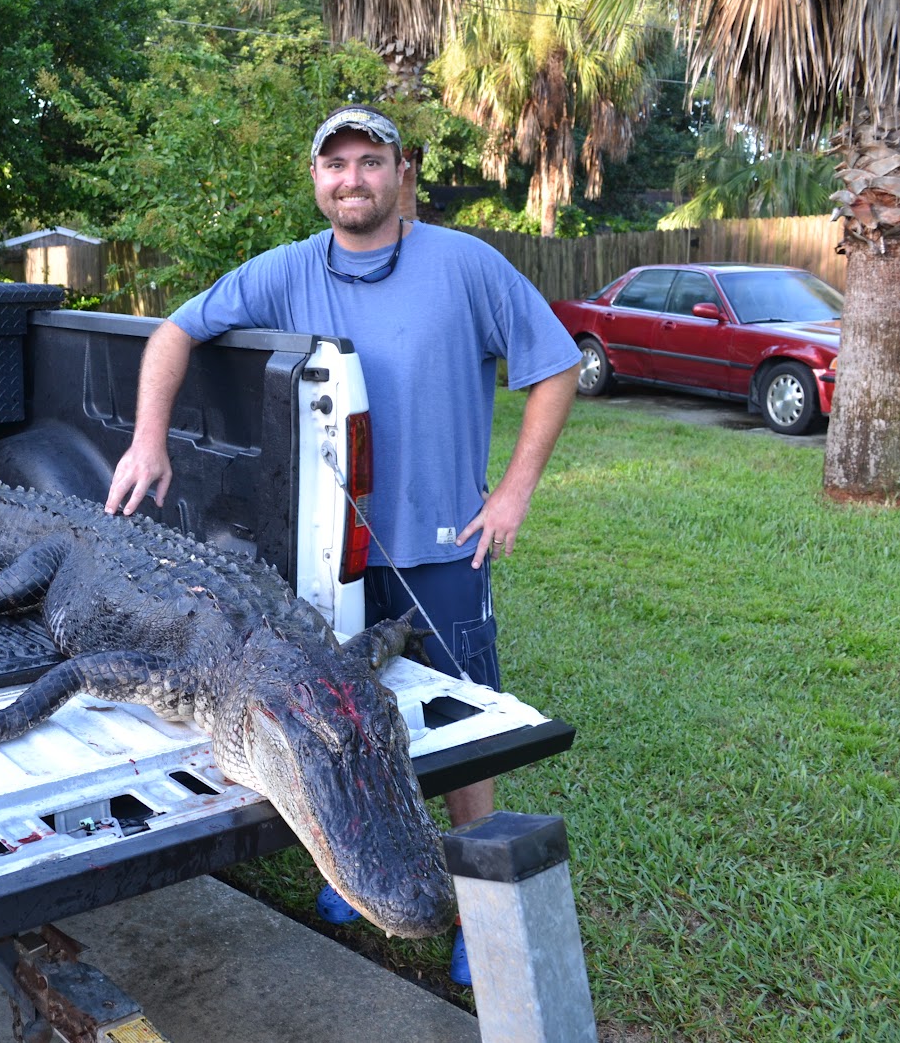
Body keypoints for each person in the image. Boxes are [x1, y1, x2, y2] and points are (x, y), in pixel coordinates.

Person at [104, 104, 580, 983]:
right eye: (336, 165)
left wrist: (512, 493)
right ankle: (358, 866)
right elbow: (176, 330)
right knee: (349, 715)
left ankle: (477, 901)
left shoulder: (466, 264)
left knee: (462, 723)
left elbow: (556, 366)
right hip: (330, 561)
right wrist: (147, 438)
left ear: (403, 172)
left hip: (443, 547)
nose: (352, 178)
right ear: (316, 179)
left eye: (370, 161)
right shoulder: (286, 272)